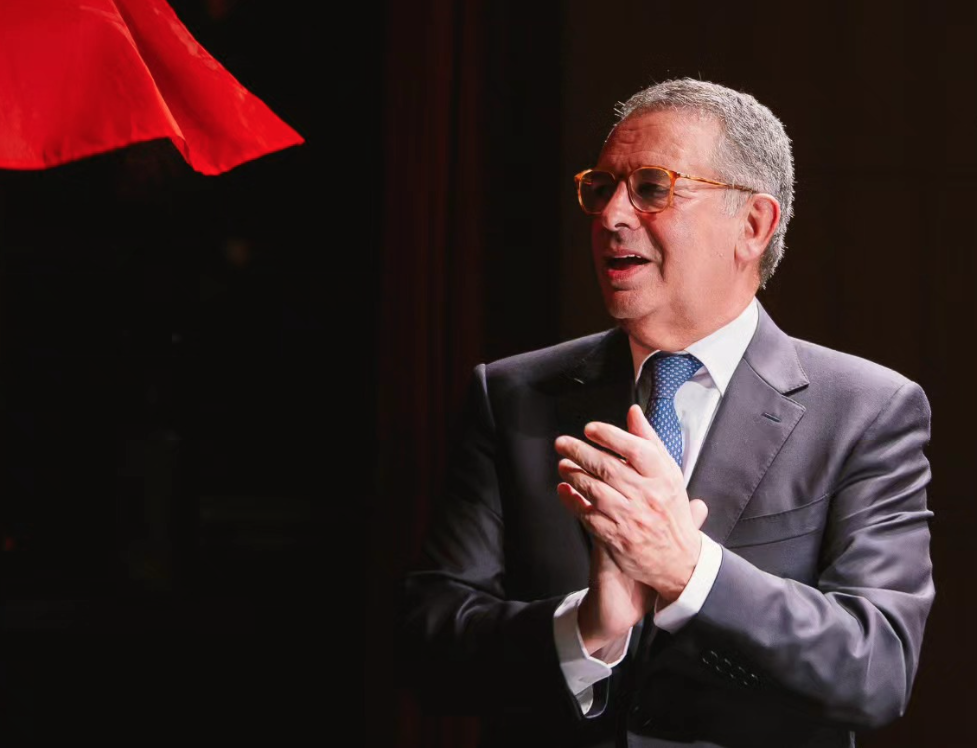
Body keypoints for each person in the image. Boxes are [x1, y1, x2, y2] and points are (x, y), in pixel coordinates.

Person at [397, 78, 934, 748]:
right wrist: (584, 628)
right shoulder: (511, 395)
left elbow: (876, 670)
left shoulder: (864, 411)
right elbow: (428, 650)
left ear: (753, 225)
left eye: (652, 188)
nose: (611, 216)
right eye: (601, 189)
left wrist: (688, 571)